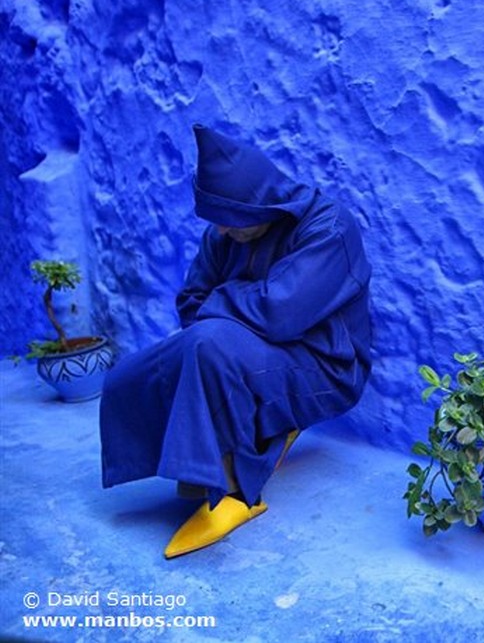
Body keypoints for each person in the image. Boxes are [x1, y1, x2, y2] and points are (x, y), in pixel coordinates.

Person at [100, 124, 372, 559]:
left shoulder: (330, 227)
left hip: (327, 365)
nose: (221, 231)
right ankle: (198, 461)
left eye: (228, 218)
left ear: (258, 201)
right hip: (252, 351)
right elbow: (192, 300)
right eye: (215, 218)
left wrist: (227, 306)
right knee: (131, 373)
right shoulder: (223, 232)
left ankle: (236, 490)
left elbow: (282, 313)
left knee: (209, 344)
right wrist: (243, 306)